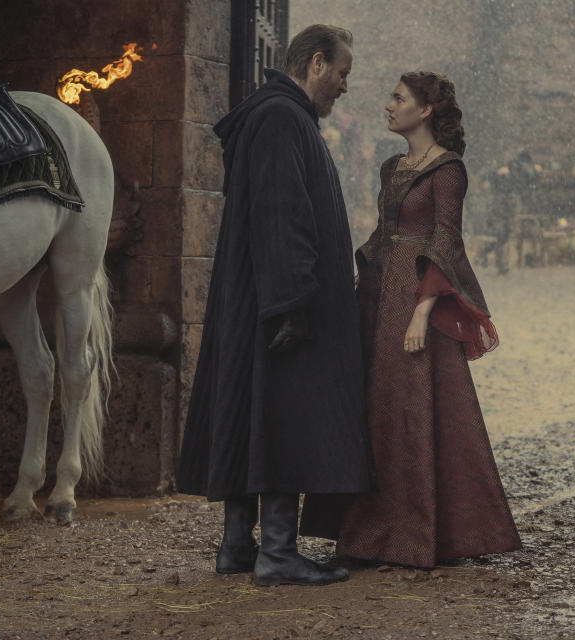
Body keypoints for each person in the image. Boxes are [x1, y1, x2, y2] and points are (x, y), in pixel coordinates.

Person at [175, 25, 375, 586]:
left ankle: (239, 545)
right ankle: (278, 552)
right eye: (342, 74)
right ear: (315, 64)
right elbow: (282, 212)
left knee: (253, 412)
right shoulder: (282, 118)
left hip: (258, 297)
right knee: (283, 415)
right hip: (279, 301)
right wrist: (292, 302)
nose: (344, 86)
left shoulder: (274, 116)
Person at [301, 72, 522, 568]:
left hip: (418, 301)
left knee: (414, 414)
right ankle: (365, 534)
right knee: (374, 411)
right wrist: (353, 290)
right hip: (379, 298)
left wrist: (423, 310)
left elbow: (446, 241)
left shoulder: (449, 171)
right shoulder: (391, 168)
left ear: (424, 111)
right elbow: (384, 234)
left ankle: (418, 533)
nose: (388, 106)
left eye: (398, 98)